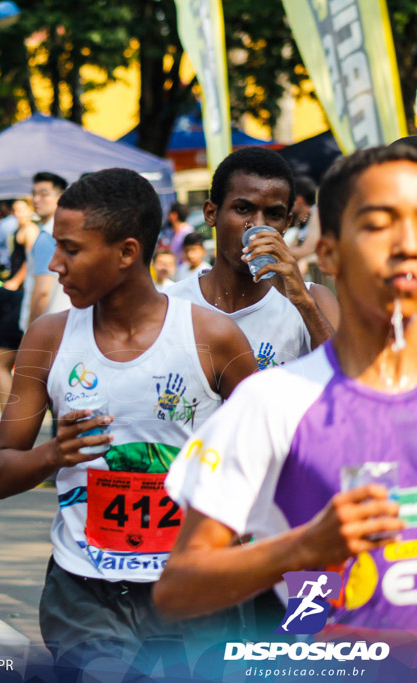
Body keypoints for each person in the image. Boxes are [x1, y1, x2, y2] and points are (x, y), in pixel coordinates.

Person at [0, 169, 258, 669]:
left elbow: (264, 461)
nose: (54, 264)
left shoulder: (214, 339)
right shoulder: (47, 339)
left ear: (127, 252)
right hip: (83, 591)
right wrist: (54, 453)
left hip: (190, 589)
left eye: (70, 249)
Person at [155, 145, 417, 637]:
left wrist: (299, 295)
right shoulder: (268, 396)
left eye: (274, 215)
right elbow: (179, 589)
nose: (406, 243)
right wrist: (304, 548)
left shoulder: (306, 304)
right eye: (380, 222)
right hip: (217, 520)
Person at [166, 147, 340, 369]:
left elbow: (348, 386)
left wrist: (304, 304)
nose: (257, 225)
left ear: (286, 224)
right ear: (211, 213)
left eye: (274, 215)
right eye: (242, 209)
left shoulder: (313, 300)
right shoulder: (172, 305)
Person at [0, 198, 35, 417]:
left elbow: (31, 260)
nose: (18, 213)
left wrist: (16, 281)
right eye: (15, 210)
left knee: (1, 362)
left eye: (22, 209)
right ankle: (10, 419)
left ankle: (10, 420)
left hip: (20, 296)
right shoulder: (20, 228)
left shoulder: (31, 231)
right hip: (16, 296)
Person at [21, 171, 69, 332]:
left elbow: (42, 293)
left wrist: (31, 335)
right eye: (34, 194)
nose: (36, 200)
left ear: (60, 197)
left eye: (43, 194)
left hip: (46, 329)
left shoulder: (47, 237)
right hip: (62, 325)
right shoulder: (68, 232)